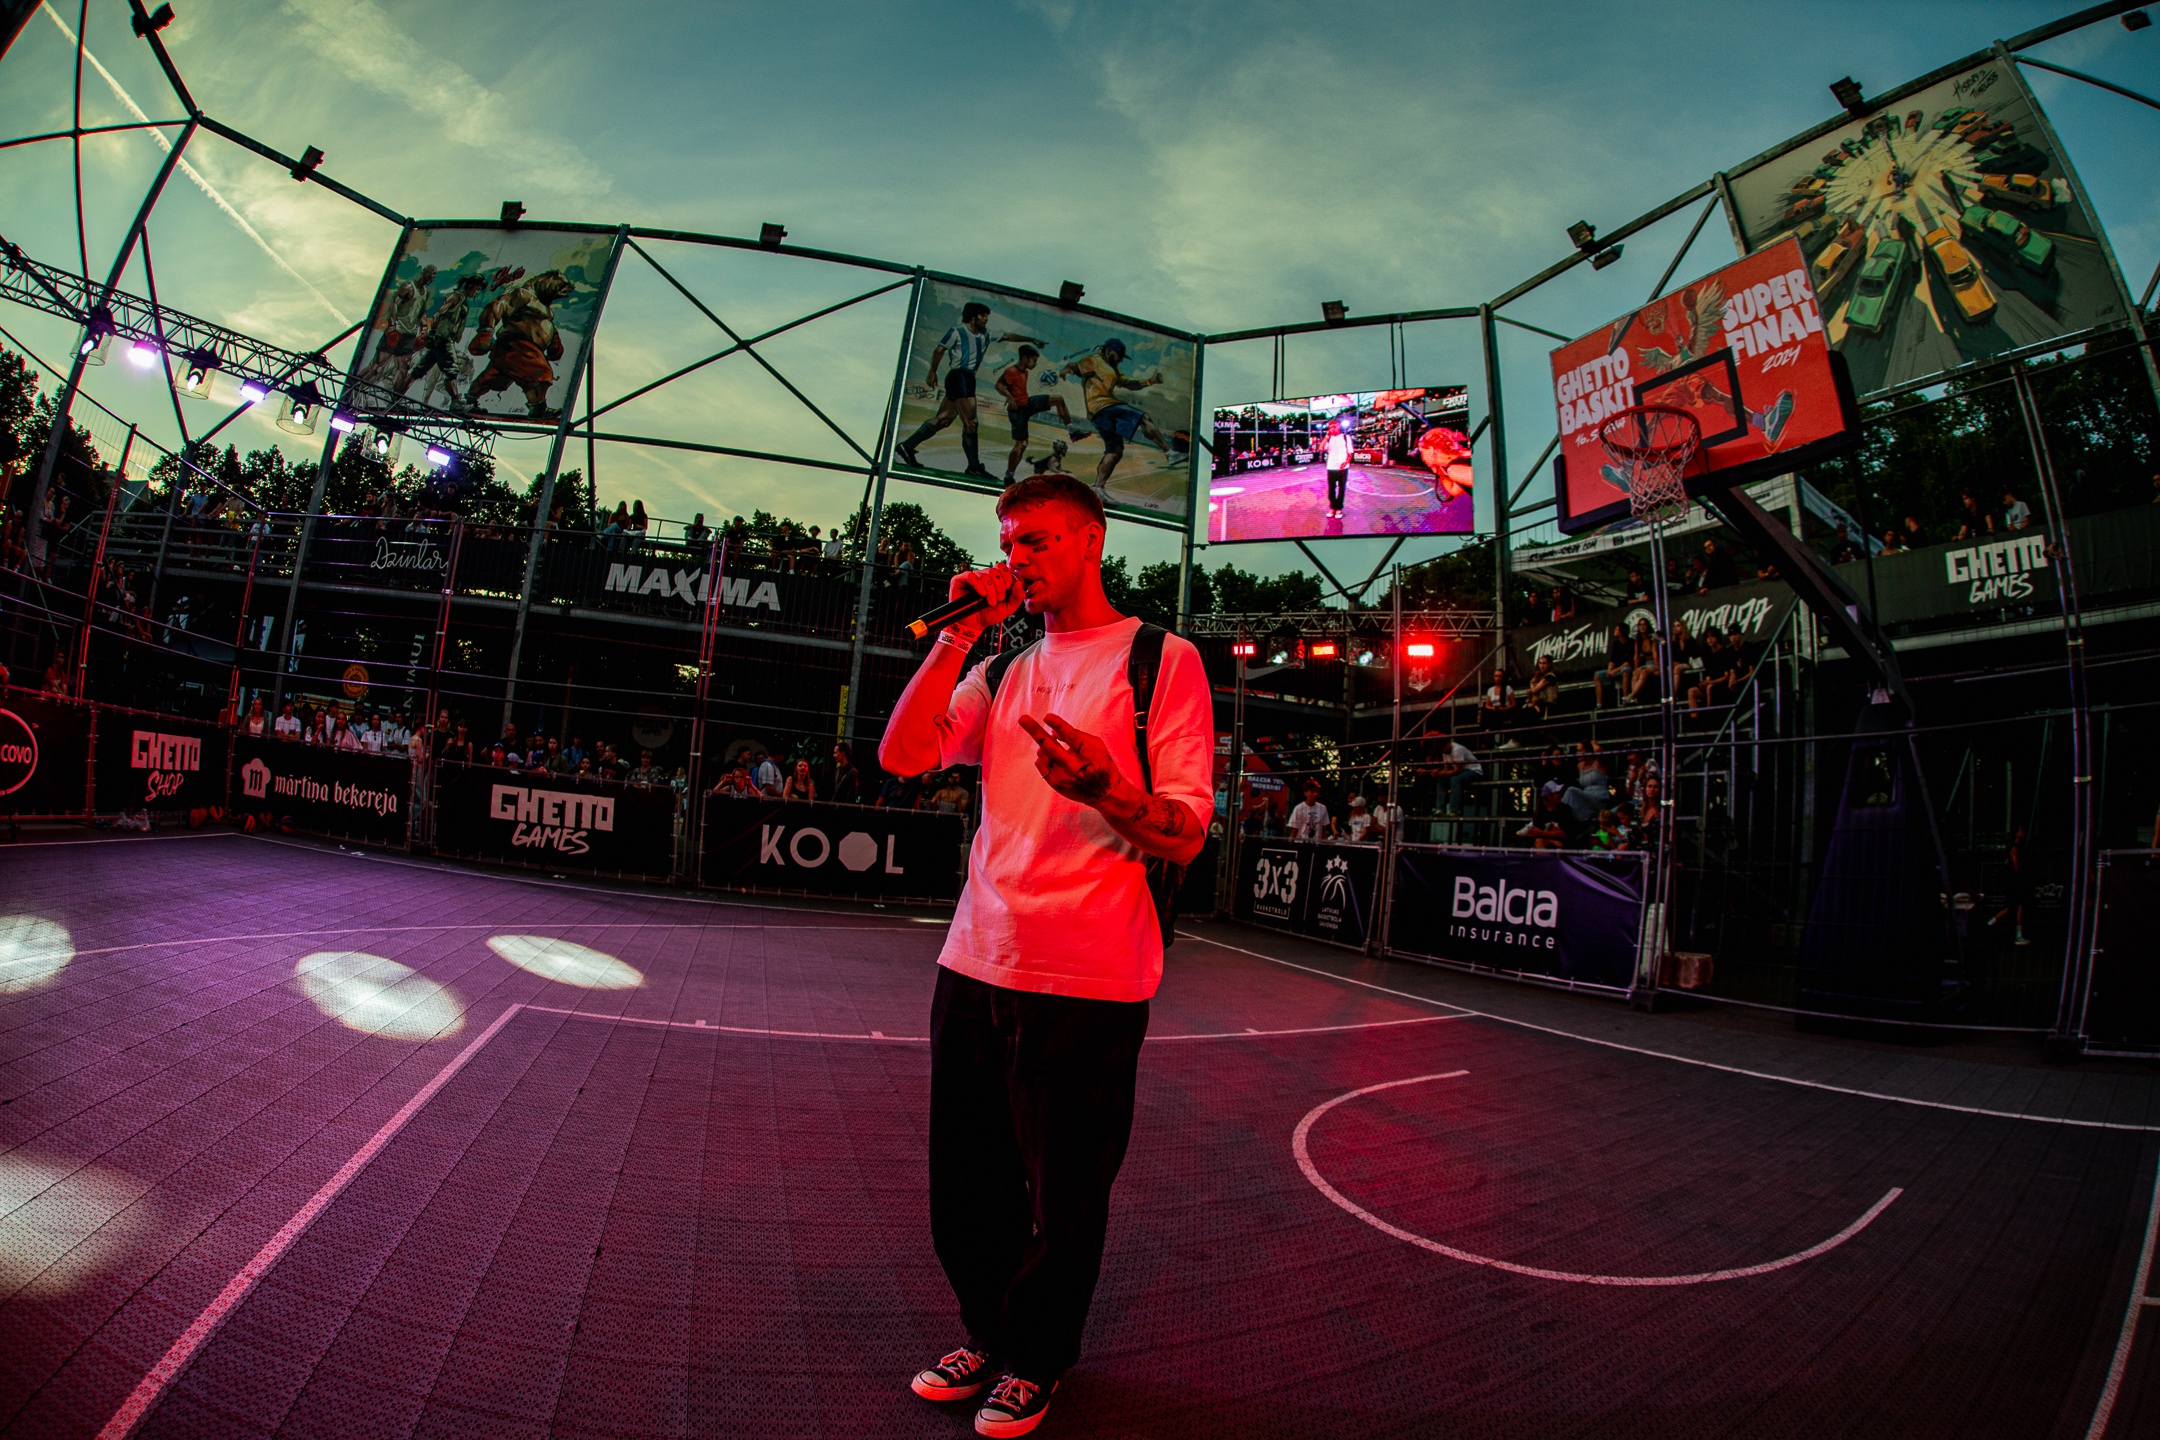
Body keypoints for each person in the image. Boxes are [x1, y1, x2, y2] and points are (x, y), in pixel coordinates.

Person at [879, 472, 1210, 1436]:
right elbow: (903, 755)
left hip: (1091, 971)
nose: (1016, 559)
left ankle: (1037, 1358)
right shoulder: (1004, 667)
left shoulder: (1161, 659)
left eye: (1035, 541)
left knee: (1064, 1194)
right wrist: (957, 638)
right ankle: (987, 1333)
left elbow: (1187, 831)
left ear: (1091, 542)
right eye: (1007, 543)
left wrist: (1106, 790)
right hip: (978, 956)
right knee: (965, 1185)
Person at [897, 300, 1046, 481]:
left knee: (944, 419)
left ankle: (906, 447)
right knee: (971, 423)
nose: (986, 319)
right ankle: (974, 467)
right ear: (972, 317)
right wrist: (932, 372)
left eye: (987, 316)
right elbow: (939, 350)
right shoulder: (957, 331)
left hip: (965, 378)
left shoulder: (985, 335)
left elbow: (1007, 336)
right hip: (960, 376)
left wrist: (1030, 339)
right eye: (983, 316)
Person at [996, 345, 1078, 483]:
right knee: (1021, 445)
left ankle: (1072, 431)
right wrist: (1009, 396)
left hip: (1027, 404)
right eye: (1033, 360)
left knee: (1058, 400)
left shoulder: (1025, 372)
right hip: (1017, 411)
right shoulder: (1011, 371)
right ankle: (1009, 475)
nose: (1035, 364)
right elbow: (999, 385)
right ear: (1025, 358)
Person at [1988, 825, 2031, 946]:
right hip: (2015, 882)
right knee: (2018, 906)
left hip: (2014, 882)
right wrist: (2021, 865)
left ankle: (1991, 922)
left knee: (2011, 907)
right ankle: (2018, 935)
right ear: (2017, 832)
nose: (2023, 832)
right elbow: (2016, 866)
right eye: (2021, 830)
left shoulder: (2017, 847)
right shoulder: (2015, 848)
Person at [1435, 738, 1482, 815]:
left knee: (1455, 780)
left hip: (1473, 770)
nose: (1443, 752)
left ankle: (1454, 809)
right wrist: (1440, 774)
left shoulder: (1457, 749)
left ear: (1447, 744)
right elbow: (1446, 768)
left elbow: (1457, 770)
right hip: (1461, 772)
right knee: (1442, 779)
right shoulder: (1445, 752)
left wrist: (1441, 773)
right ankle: (1440, 808)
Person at [1593, 624, 1632, 708]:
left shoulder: (1631, 643)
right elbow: (1612, 660)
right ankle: (1599, 704)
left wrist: (1614, 671)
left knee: (1625, 670)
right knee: (1597, 675)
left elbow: (1627, 663)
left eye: (1616, 629)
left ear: (1621, 632)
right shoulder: (1616, 644)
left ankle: (1626, 699)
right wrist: (1609, 670)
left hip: (1626, 669)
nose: (1614, 631)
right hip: (1616, 670)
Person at [1321, 420, 1353, 519]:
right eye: (1330, 427)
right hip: (1331, 466)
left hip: (1343, 467)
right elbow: (1321, 448)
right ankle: (1332, 507)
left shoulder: (1346, 437)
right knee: (1331, 489)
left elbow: (1350, 452)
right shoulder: (1329, 438)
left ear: (1338, 427)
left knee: (1341, 488)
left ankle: (1338, 508)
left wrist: (1346, 462)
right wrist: (1326, 437)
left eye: (1334, 426)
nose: (1332, 429)